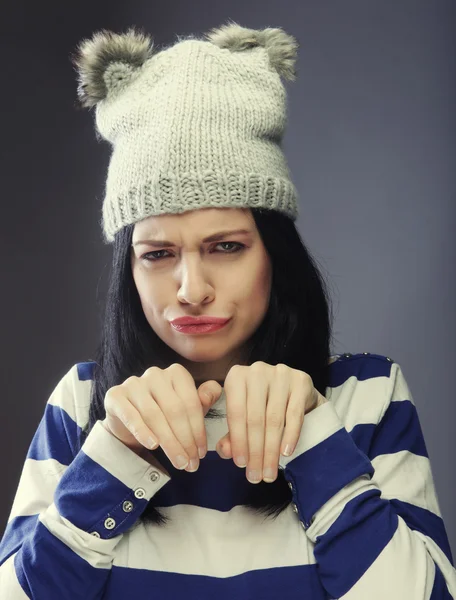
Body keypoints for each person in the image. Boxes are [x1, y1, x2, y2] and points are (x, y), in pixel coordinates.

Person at [0, 20, 455, 600]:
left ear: (275, 255)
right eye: (158, 254)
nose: (191, 288)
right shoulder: (82, 404)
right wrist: (114, 458)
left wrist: (313, 435)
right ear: (129, 272)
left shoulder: (365, 396)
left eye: (226, 247)